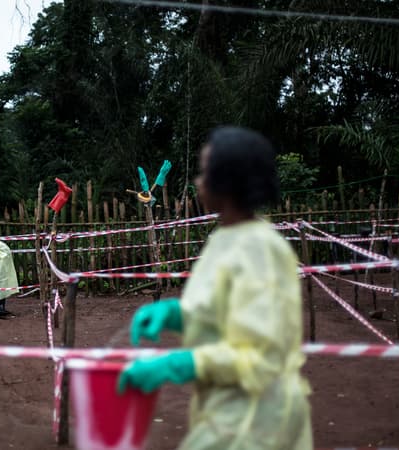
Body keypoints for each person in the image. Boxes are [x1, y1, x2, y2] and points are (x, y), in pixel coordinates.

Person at [117, 126, 313, 449]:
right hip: (227, 411)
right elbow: (224, 314)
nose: (198, 182)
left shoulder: (261, 249)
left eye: (205, 173)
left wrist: (181, 364)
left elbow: (261, 357)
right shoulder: (223, 238)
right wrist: (177, 315)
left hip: (261, 422)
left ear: (227, 182)